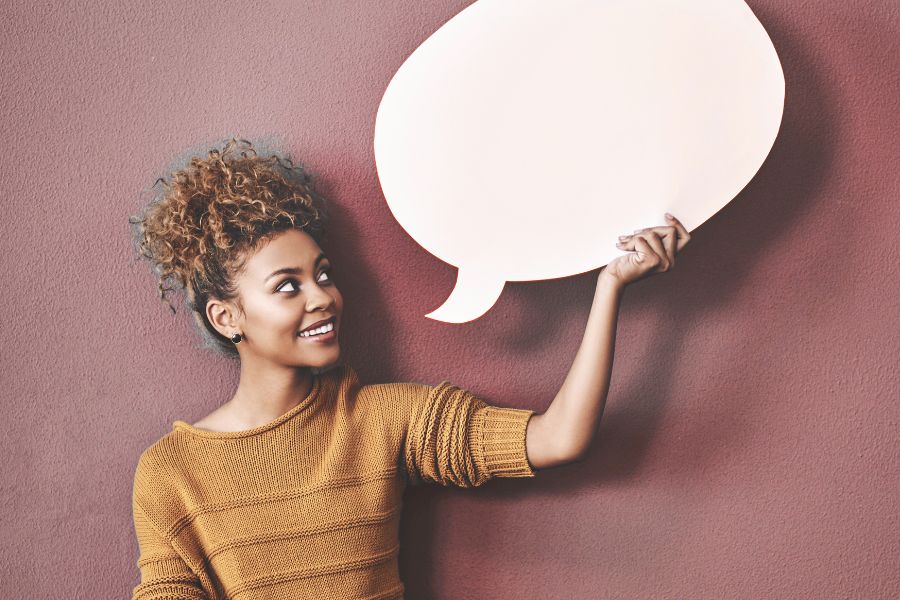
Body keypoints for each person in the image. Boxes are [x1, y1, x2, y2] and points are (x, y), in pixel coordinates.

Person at [127, 138, 691, 600]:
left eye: (323, 275)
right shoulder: (171, 474)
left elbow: (558, 437)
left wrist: (610, 287)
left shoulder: (382, 418)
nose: (322, 297)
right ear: (227, 317)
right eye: (288, 286)